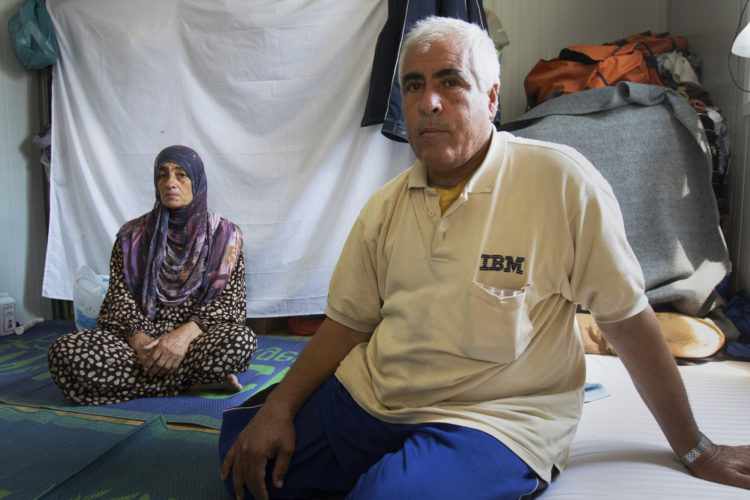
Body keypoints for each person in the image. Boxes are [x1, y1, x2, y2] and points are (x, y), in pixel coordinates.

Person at [219, 17, 750, 500]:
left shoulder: (560, 182)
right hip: (376, 396)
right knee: (244, 463)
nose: (429, 102)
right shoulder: (385, 207)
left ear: (491, 97)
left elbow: (628, 322)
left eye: (450, 82)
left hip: (492, 418)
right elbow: (347, 324)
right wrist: (279, 408)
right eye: (414, 85)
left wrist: (695, 448)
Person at [48, 145, 256, 405]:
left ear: (197, 181)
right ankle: (194, 381)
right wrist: (140, 342)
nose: (170, 183)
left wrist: (180, 339)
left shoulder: (225, 236)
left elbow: (230, 305)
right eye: (163, 175)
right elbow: (118, 300)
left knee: (240, 341)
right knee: (64, 352)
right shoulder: (131, 237)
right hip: (139, 346)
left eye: (181, 175)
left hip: (193, 341)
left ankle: (127, 384)